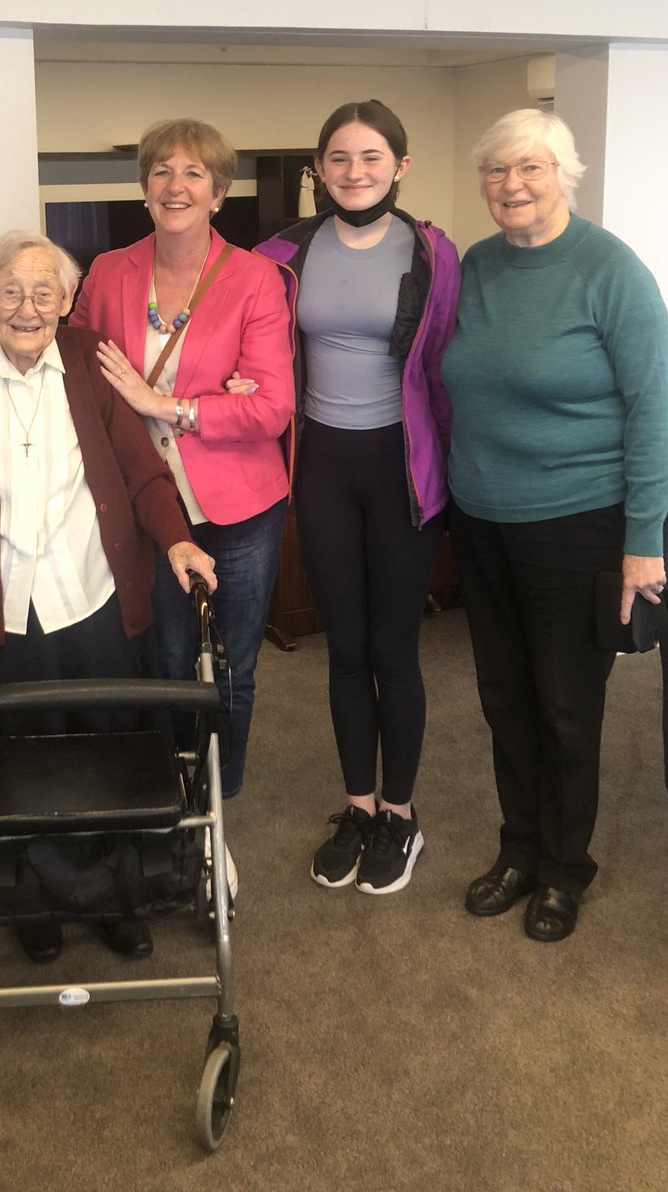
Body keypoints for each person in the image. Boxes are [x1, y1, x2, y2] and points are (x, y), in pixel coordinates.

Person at [0, 229, 217, 965]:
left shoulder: (89, 357)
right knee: (16, 752)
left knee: (106, 745)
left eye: (46, 292)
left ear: (68, 302)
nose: (29, 307)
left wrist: (177, 543)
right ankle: (30, 897)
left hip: (92, 593)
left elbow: (142, 474)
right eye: (11, 290)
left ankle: (112, 895)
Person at [441, 108, 668, 941]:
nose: (512, 186)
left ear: (564, 175)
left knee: (567, 703)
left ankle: (565, 868)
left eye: (529, 169)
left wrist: (648, 539)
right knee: (504, 696)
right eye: (497, 172)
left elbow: (654, 411)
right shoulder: (476, 265)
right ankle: (519, 849)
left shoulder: (611, 270)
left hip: (578, 521)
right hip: (483, 516)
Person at [254, 100, 459, 895]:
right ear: (318, 169)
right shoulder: (281, 253)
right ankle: (360, 806)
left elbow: (446, 368)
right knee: (344, 649)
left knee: (392, 651)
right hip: (323, 465)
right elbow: (254, 340)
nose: (354, 172)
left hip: (402, 466)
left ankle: (401, 816)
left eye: (371, 157)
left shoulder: (434, 253)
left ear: (399, 167)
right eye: (338, 158)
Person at [70, 118, 295, 814]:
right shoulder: (109, 272)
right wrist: (214, 396)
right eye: (162, 171)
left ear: (219, 192)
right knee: (165, 656)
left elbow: (272, 410)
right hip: (147, 499)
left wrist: (164, 404)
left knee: (233, 661)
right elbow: (77, 372)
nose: (176, 184)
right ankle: (170, 787)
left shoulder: (256, 279)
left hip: (241, 501)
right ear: (144, 188)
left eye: (194, 173)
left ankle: (219, 790)